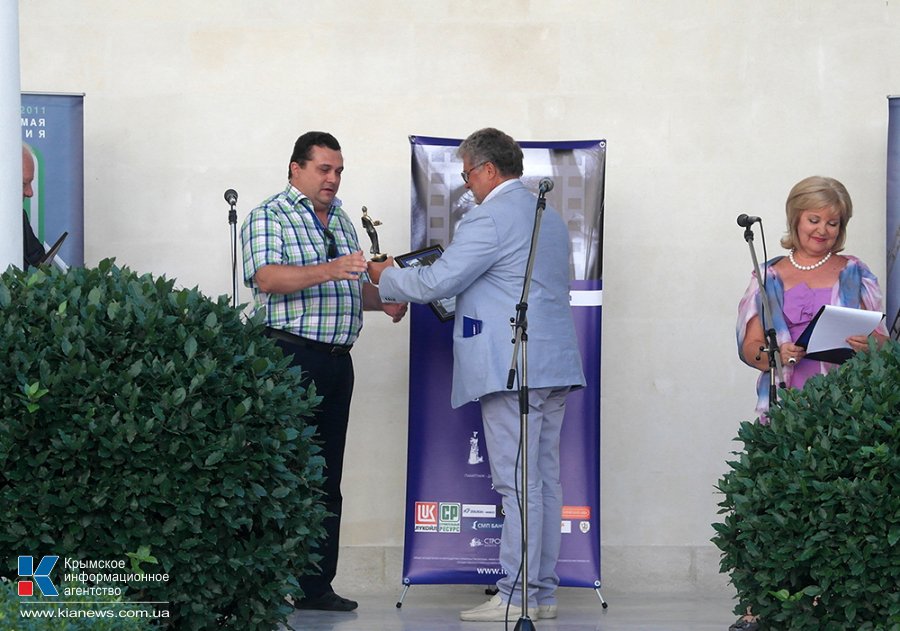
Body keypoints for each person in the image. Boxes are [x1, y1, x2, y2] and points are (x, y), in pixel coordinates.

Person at [368, 127, 586, 623]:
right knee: (542, 481)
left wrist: (386, 277)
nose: (467, 185)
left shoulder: (488, 218)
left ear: (488, 169)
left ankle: (515, 595)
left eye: (468, 174)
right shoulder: (548, 216)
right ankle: (540, 593)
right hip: (553, 365)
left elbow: (440, 279)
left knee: (518, 485)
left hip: (513, 366)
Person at [240, 131, 406, 613]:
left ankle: (314, 586)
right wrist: (331, 267)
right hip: (288, 357)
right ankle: (261, 584)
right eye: (324, 169)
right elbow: (266, 277)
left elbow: (348, 289)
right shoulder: (270, 215)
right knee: (280, 472)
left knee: (327, 477)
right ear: (296, 168)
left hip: (336, 362)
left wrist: (384, 300)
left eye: (338, 171)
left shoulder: (344, 219)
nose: (332, 179)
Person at [731, 175, 888, 631]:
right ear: (795, 218)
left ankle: (831, 607)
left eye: (833, 223)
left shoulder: (855, 272)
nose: (823, 230)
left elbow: (883, 343)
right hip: (783, 411)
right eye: (814, 220)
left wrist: (869, 346)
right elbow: (749, 348)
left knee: (837, 513)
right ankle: (761, 608)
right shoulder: (768, 275)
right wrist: (775, 354)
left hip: (845, 412)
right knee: (775, 510)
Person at [22, 144, 46, 268]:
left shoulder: (20, 217)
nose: (30, 193)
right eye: (23, 184)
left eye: (30, 183)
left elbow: (38, 258)